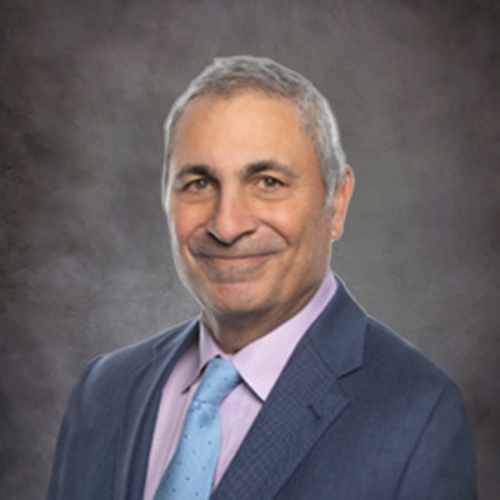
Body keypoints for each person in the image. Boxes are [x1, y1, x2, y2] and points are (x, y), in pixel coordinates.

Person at [47, 56, 477, 499]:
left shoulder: (418, 413)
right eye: (198, 183)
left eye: (268, 182)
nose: (226, 225)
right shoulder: (103, 392)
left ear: (337, 201)